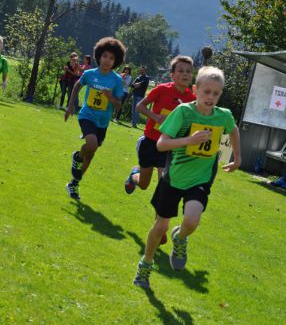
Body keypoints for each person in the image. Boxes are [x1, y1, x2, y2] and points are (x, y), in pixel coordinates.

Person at [133, 66, 241, 289]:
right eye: (206, 92)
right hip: (173, 178)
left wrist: (238, 158)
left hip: (200, 180)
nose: (211, 97)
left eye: (216, 93)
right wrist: (188, 141)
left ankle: (180, 238)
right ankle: (146, 264)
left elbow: (234, 130)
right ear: (196, 89)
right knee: (160, 226)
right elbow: (162, 144)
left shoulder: (224, 116)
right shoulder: (183, 112)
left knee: (192, 220)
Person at [64, 37, 126, 200]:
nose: (107, 60)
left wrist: (111, 97)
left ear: (116, 61)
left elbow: (118, 105)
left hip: (102, 122)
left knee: (90, 154)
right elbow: (78, 85)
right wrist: (71, 105)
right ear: (99, 56)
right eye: (105, 56)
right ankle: (77, 157)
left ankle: (74, 184)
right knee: (91, 144)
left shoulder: (117, 80)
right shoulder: (90, 74)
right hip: (87, 115)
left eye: (111, 58)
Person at [125, 55, 195, 196]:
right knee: (144, 184)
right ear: (172, 75)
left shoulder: (193, 99)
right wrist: (155, 117)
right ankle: (133, 176)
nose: (185, 74)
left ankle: (160, 217)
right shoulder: (161, 89)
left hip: (170, 146)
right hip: (150, 141)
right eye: (181, 71)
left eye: (188, 71)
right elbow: (140, 106)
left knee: (164, 185)